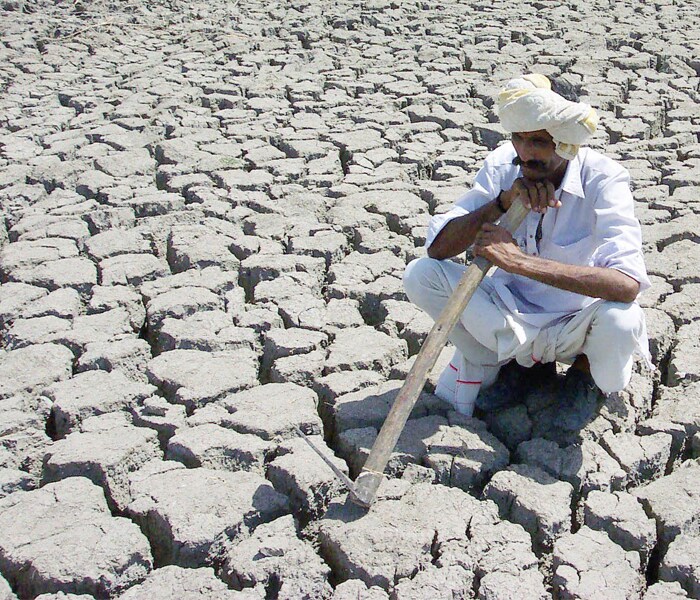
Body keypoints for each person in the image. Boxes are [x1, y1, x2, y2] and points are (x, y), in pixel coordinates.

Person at [403, 73, 651, 417]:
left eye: (539, 141)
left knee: (622, 321)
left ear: (567, 141)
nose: (526, 152)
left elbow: (626, 285)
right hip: (510, 315)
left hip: (577, 325)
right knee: (421, 274)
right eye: (518, 138)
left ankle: (584, 376)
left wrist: (517, 262)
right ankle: (518, 365)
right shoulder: (504, 164)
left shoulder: (604, 179)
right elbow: (438, 249)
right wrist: (501, 203)